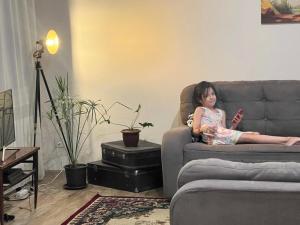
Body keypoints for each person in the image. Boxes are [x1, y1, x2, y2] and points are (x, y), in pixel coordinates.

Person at [192, 81, 300, 146]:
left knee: (255, 134)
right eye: (207, 95)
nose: (211, 97)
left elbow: (226, 131)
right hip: (213, 138)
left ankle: (285, 141)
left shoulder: (221, 112)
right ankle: (286, 140)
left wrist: (234, 124)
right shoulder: (200, 110)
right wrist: (204, 128)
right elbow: (195, 130)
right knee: (251, 137)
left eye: (213, 94)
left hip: (222, 135)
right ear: (200, 99)